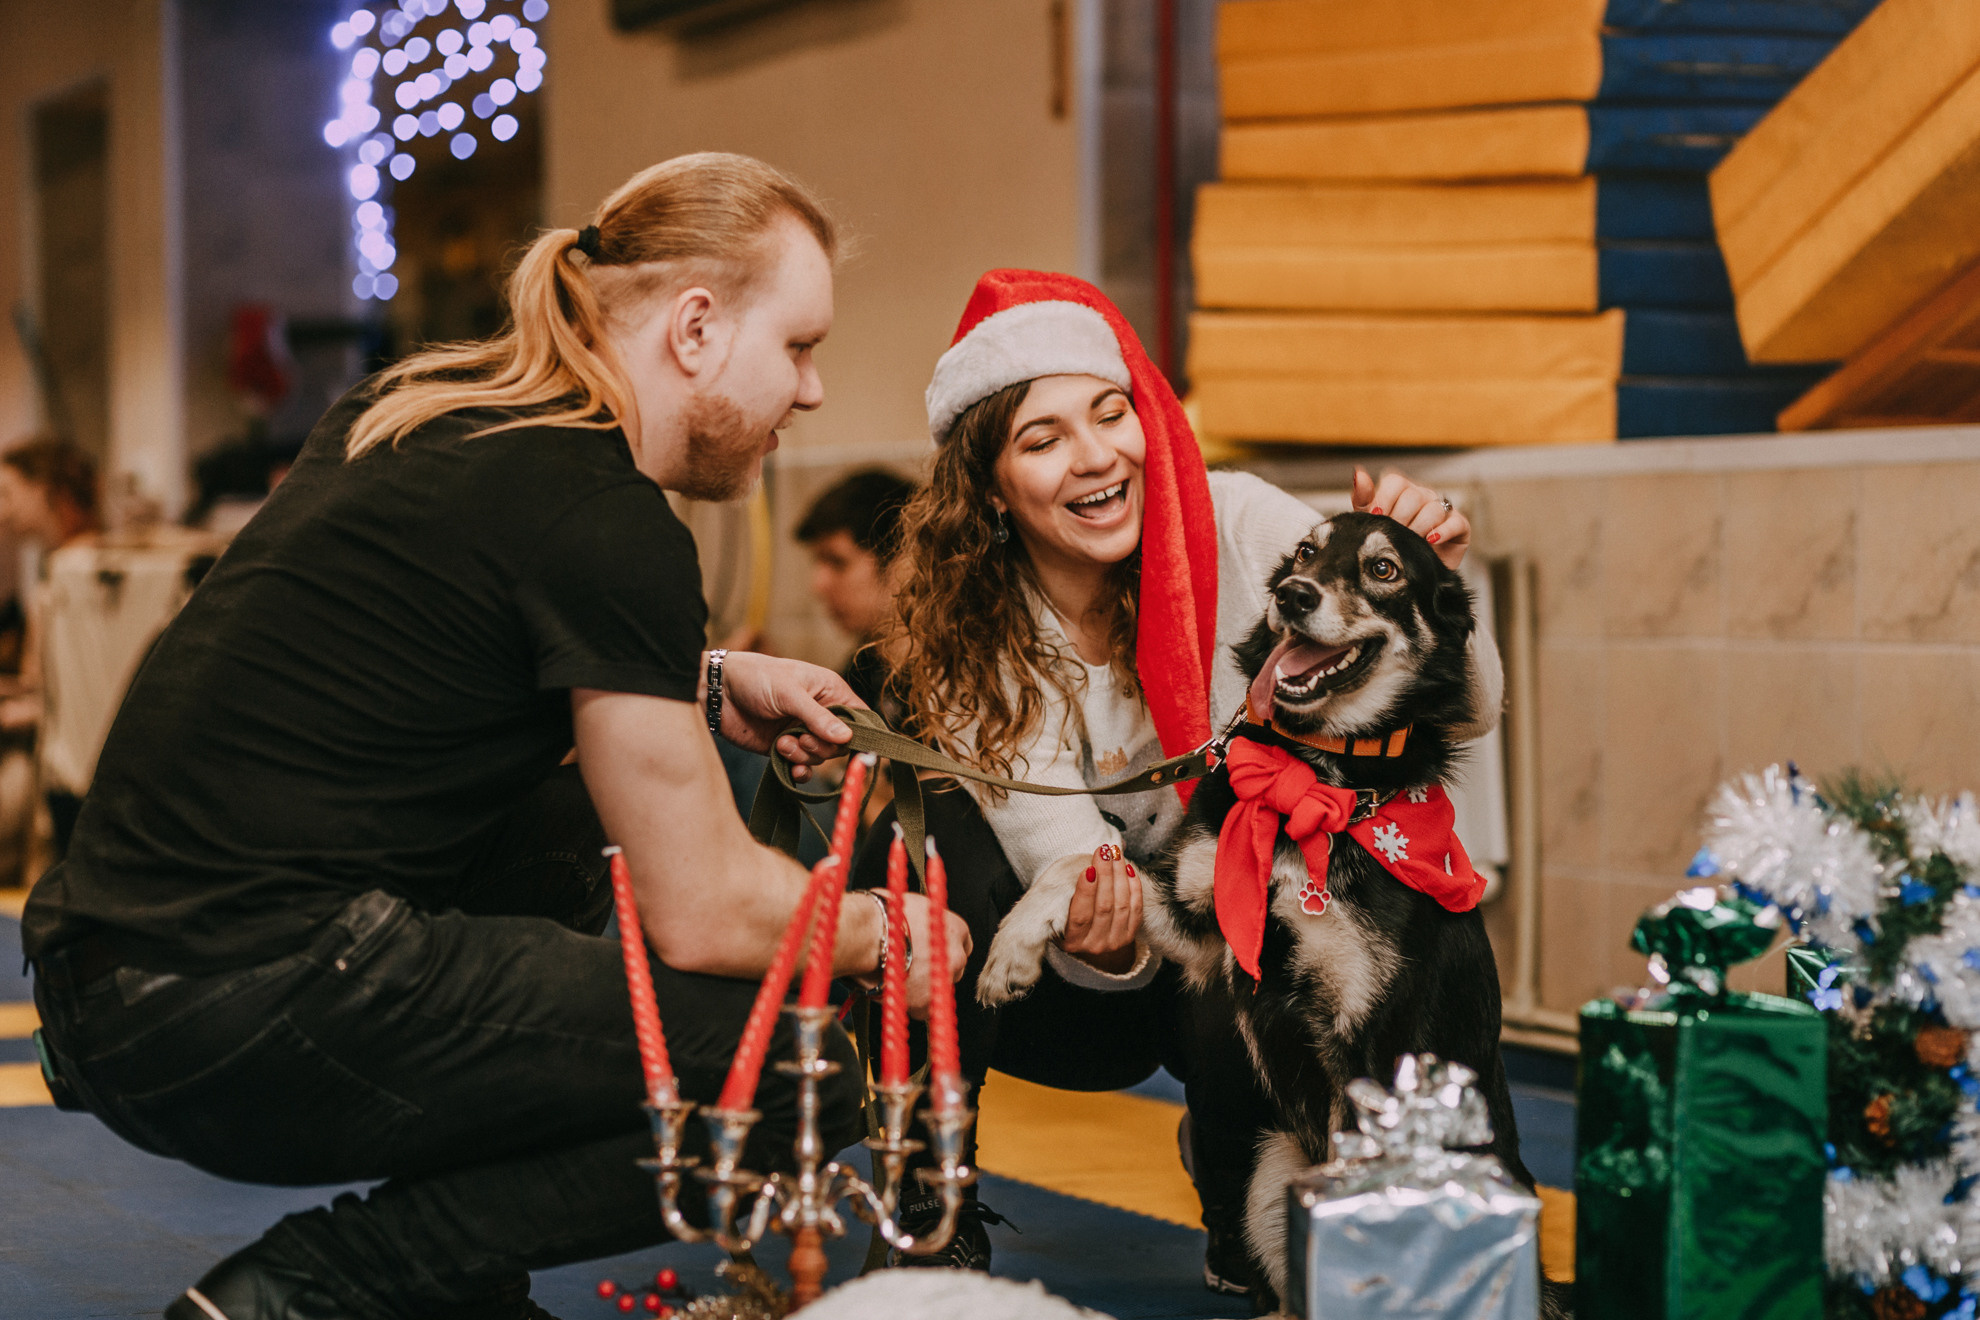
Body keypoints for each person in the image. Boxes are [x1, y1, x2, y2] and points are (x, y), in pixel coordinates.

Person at [22, 153, 969, 1320]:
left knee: (581, 841)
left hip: (110, 977)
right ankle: (315, 1294)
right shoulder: (604, 516)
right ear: (695, 329)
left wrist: (708, 675)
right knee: (780, 1057)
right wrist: (886, 931)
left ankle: (454, 1287)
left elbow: (433, 660)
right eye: (800, 347)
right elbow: (709, 908)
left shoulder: (431, 413)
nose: (812, 391)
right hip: (232, 1000)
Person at [854, 270, 1499, 1290]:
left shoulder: (1239, 524)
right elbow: (1060, 864)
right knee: (918, 847)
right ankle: (930, 1193)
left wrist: (1430, 568)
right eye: (1044, 437)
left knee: (1258, 878)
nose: (1097, 454)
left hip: (1225, 961)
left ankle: (1240, 1184)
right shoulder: (969, 644)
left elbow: (1464, 708)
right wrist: (1103, 944)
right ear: (990, 485)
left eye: (1110, 414)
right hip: (1044, 979)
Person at [0, 436, 101, 855]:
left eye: (7, 494)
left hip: (70, 775)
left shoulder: (77, 576)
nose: (2, 512)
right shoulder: (57, 572)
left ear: (44, 490)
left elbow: (74, 701)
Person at [793, 467, 914, 711]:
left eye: (838, 562)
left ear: (901, 563)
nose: (818, 585)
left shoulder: (947, 682)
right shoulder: (869, 661)